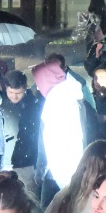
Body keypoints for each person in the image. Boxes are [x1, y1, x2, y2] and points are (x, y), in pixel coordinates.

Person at [33, 57, 87, 192]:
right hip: (66, 169)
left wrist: (41, 168)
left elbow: (50, 140)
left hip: (59, 169)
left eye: (39, 82)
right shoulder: (69, 96)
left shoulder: (58, 101)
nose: (38, 87)